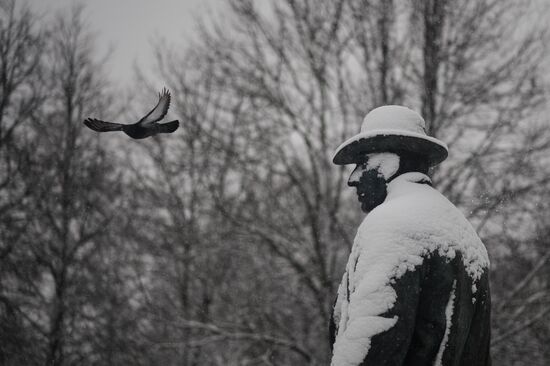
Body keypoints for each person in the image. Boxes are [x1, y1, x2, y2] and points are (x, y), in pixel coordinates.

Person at [329, 106, 491, 366]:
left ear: (391, 164)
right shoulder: (468, 239)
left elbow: (373, 343)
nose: (353, 178)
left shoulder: (392, 225)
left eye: (363, 163)